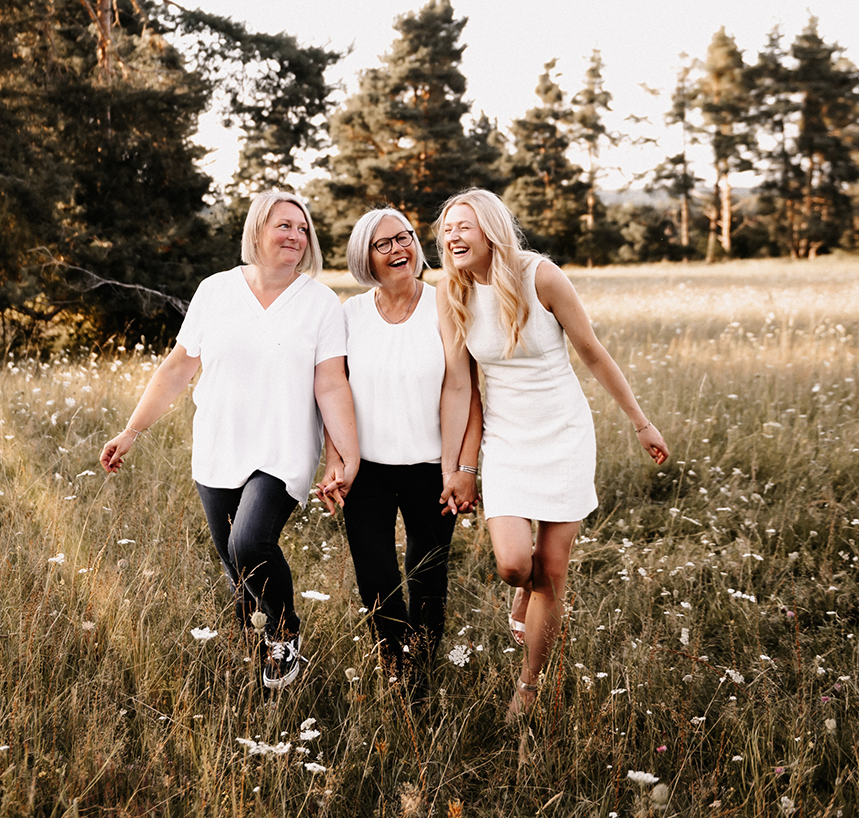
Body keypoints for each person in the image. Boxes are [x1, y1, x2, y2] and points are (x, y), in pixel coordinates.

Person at [100, 190, 358, 693]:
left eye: (303, 229)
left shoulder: (321, 303)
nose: (296, 235)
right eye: (285, 225)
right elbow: (178, 368)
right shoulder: (215, 291)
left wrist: (344, 457)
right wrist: (132, 430)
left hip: (283, 449)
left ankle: (285, 636)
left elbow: (331, 384)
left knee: (250, 543)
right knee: (240, 577)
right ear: (257, 230)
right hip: (218, 447)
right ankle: (261, 680)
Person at [434, 188, 668, 717]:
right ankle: (523, 591)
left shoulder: (541, 276)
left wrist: (641, 423)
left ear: (491, 229)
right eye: (447, 229)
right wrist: (457, 467)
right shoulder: (452, 292)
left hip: (563, 434)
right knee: (515, 565)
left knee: (552, 571)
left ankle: (529, 685)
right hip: (506, 440)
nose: (452, 237)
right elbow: (460, 386)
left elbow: (592, 352)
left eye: (463, 226)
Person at [322, 208, 480, 685]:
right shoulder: (348, 314)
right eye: (383, 244)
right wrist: (335, 461)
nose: (399, 249)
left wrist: (461, 469)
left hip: (432, 468)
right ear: (365, 257)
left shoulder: (445, 302)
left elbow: (464, 389)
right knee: (375, 579)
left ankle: (422, 671)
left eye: (404, 237)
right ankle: (396, 666)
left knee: (427, 574)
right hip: (366, 470)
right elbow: (333, 392)